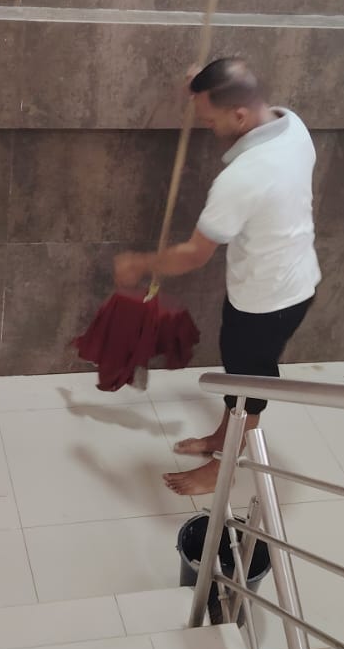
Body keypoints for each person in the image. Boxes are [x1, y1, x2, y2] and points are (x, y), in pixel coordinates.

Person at [114, 57, 321, 496]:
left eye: (209, 120)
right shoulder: (290, 125)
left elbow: (193, 254)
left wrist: (139, 264)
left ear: (239, 116)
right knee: (237, 373)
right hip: (284, 281)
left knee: (247, 385)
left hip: (268, 301)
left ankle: (224, 467)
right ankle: (222, 438)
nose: (207, 127)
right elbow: (236, 81)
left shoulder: (245, 176)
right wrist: (202, 85)